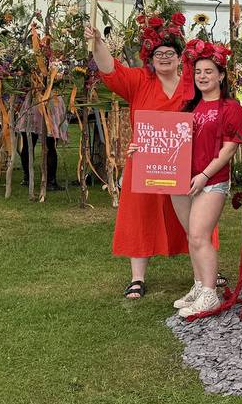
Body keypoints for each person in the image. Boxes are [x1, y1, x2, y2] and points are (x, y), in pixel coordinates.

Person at [85, 16, 198, 299]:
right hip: (145, 162)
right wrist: (98, 42)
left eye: (169, 53)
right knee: (140, 216)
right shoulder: (139, 81)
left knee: (195, 218)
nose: (164, 58)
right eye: (158, 54)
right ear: (149, 58)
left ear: (179, 56)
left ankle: (204, 272)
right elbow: (111, 70)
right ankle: (137, 278)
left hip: (184, 161)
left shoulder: (191, 84)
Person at [146, 39, 242, 317]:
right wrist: (142, 149)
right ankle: (200, 285)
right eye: (199, 72)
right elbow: (169, 140)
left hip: (210, 182)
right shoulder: (190, 107)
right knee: (192, 235)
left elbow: (229, 149)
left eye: (209, 72)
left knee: (201, 235)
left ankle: (211, 294)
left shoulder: (230, 108)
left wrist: (204, 175)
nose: (202, 77)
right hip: (181, 181)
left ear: (221, 76)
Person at [15, 92, 68, 191]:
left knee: (28, 144)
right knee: (50, 145)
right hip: (49, 102)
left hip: (33, 103)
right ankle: (50, 182)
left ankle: (28, 177)